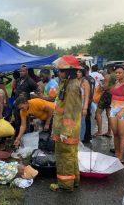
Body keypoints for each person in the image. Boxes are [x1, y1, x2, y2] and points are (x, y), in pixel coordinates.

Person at [50, 55, 82, 192]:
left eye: (61, 71)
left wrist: (65, 131)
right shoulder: (67, 83)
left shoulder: (72, 87)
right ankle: (73, 181)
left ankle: (65, 185)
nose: (59, 73)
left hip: (66, 130)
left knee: (65, 157)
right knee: (71, 156)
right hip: (64, 128)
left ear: (69, 72)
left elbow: (71, 111)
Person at [94, 65, 116, 138]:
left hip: (106, 94)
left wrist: (101, 86)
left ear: (110, 68)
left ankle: (99, 131)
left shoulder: (108, 76)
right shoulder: (117, 76)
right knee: (109, 114)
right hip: (113, 95)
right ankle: (109, 132)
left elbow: (105, 87)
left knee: (98, 113)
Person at [77, 68, 90, 141]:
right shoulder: (73, 81)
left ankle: (80, 140)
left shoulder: (85, 82)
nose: (77, 73)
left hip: (81, 104)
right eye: (76, 72)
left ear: (82, 73)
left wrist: (85, 108)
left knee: (81, 123)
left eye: (79, 72)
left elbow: (87, 96)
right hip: (73, 105)